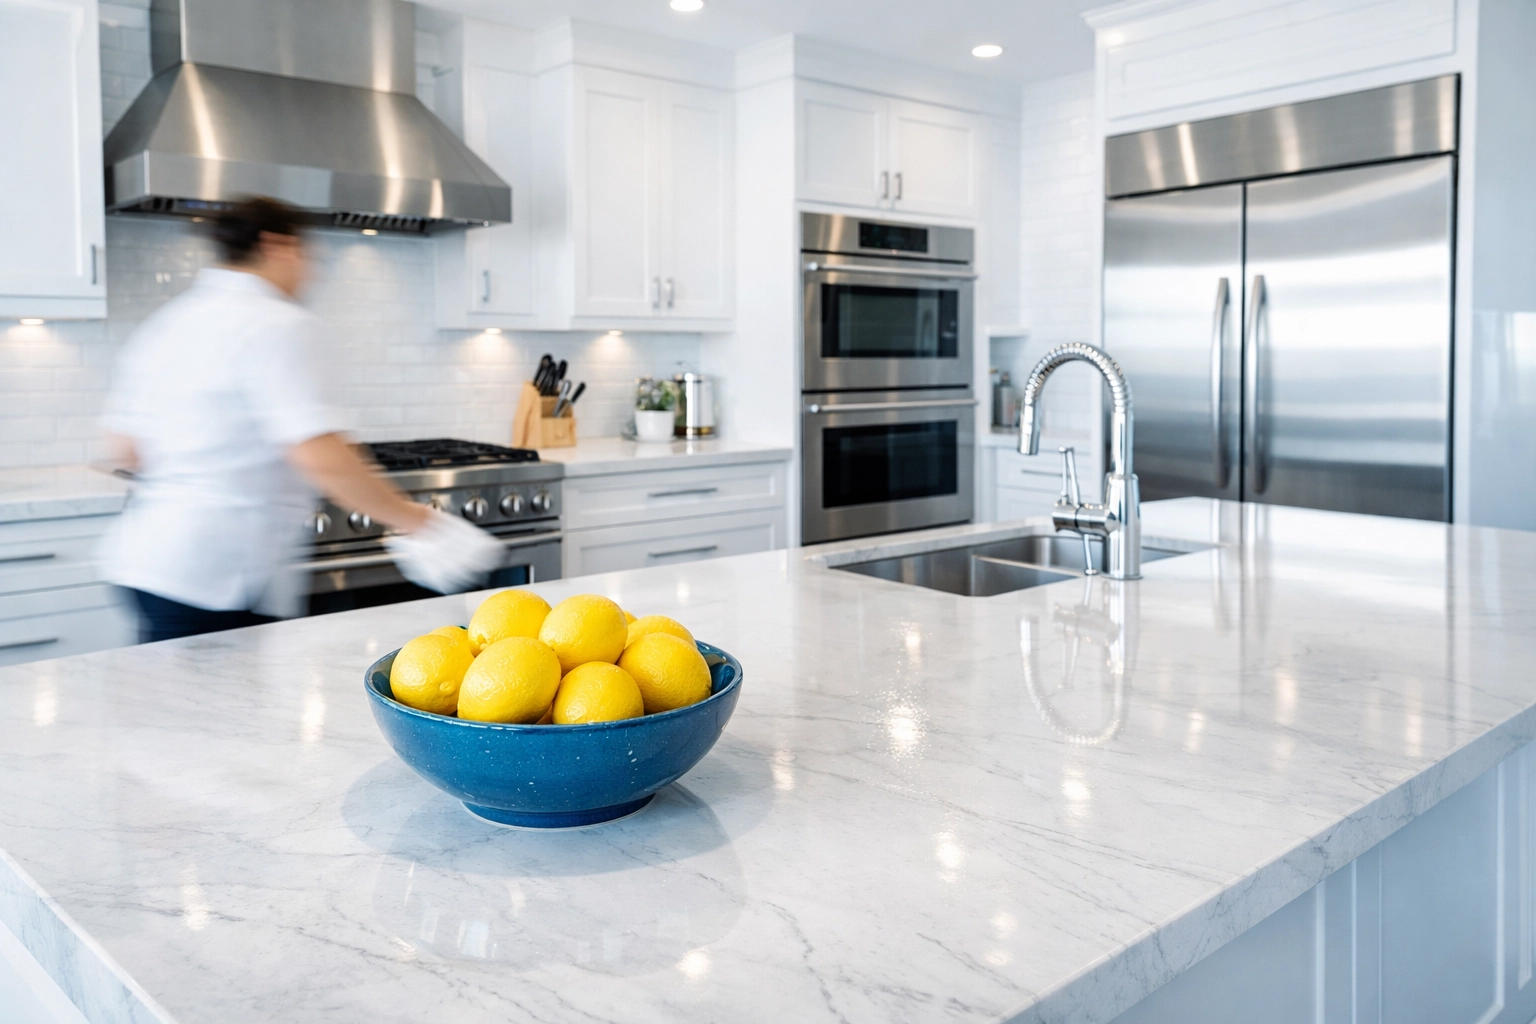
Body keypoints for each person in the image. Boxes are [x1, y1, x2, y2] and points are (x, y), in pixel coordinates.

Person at [101, 196, 500, 643]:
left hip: (149, 562)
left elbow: (125, 448)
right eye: (308, 256)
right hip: (217, 572)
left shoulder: (171, 320)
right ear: (277, 246)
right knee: (226, 689)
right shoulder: (277, 323)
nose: (311, 272)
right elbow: (318, 455)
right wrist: (418, 521)